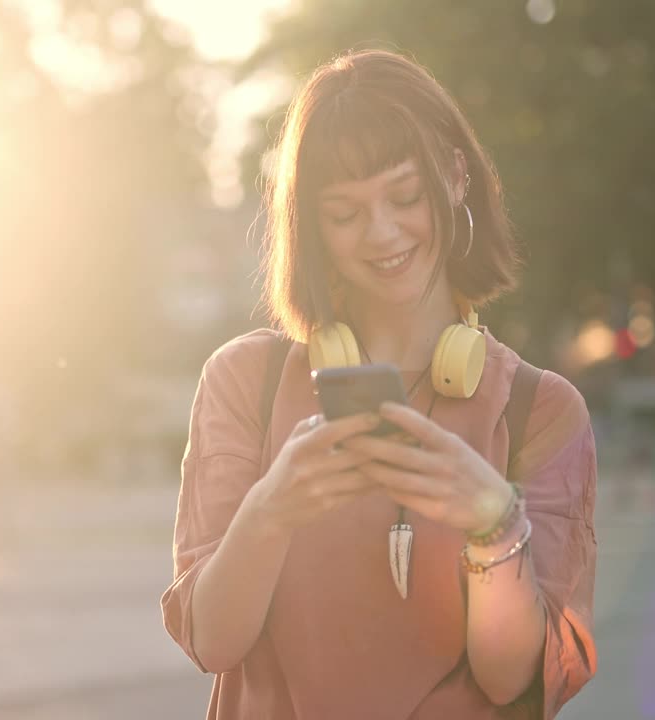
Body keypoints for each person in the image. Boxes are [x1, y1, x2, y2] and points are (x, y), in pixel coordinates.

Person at [160, 50, 597, 719]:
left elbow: (514, 681)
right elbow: (214, 639)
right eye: (344, 214)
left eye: (404, 196)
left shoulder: (540, 410)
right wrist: (272, 508)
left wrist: (495, 523)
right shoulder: (244, 383)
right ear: (312, 226)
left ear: (454, 177)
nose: (382, 232)